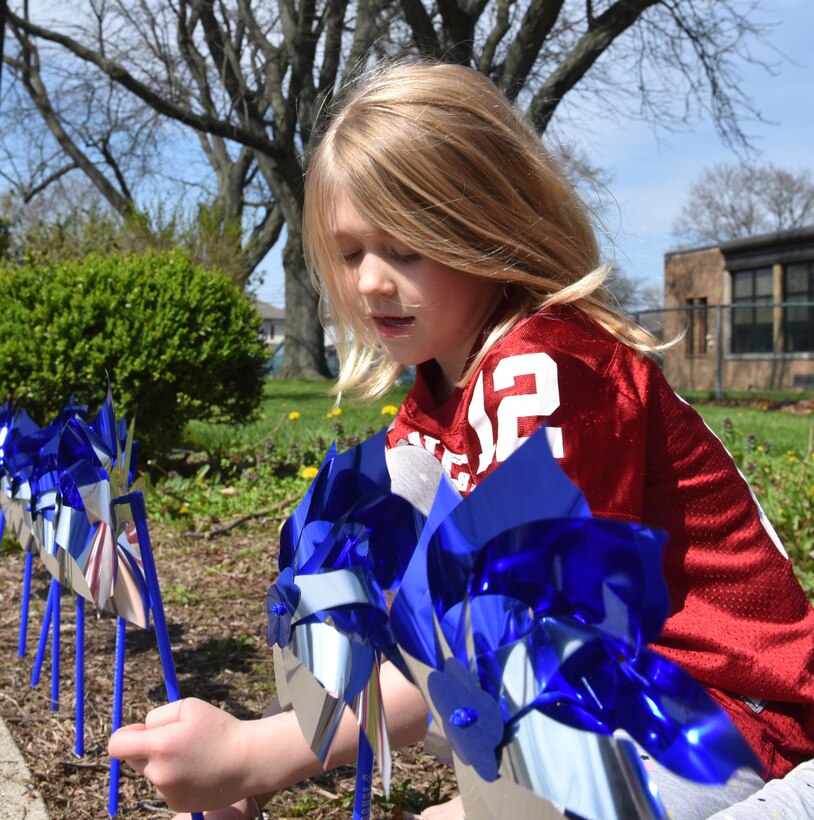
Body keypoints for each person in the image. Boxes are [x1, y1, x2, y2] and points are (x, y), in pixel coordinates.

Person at [109, 60, 814, 819]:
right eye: (351, 254)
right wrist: (260, 757)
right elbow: (423, 633)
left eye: (406, 248)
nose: (372, 282)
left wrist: (256, 754)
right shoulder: (434, 413)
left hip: (725, 716)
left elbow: (518, 641)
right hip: (613, 700)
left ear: (489, 228)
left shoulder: (547, 371)